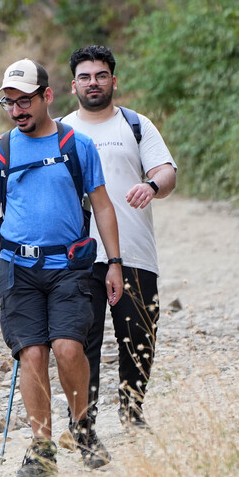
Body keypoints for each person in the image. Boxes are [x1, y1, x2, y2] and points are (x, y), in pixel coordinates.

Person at [0, 58, 124, 477]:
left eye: (26, 101)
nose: (18, 110)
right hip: (16, 268)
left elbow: (103, 206)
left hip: (69, 267)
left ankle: (84, 430)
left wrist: (114, 263)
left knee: (69, 348)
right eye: (10, 102)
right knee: (32, 353)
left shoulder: (77, 145)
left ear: (47, 96)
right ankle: (41, 447)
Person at [62, 44, 177, 433]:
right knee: (81, 340)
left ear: (114, 80)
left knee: (138, 334)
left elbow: (166, 171)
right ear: (72, 85)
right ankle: (83, 420)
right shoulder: (59, 130)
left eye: (100, 76)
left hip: (134, 251)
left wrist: (150, 185)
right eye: (85, 77)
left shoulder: (135, 124)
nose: (93, 83)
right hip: (77, 255)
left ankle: (132, 409)